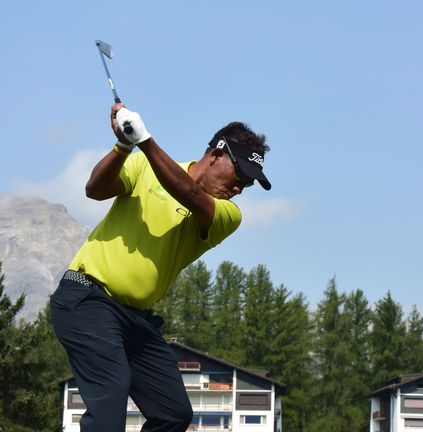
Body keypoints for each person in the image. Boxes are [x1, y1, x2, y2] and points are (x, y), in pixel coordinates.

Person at [50, 103, 271, 432]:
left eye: (248, 185)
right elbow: (94, 189)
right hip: (87, 299)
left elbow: (187, 191)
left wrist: (145, 140)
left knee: (173, 412)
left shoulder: (228, 214)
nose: (240, 188)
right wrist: (124, 146)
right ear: (216, 153)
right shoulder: (143, 165)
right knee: (111, 392)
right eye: (240, 175)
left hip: (134, 320)